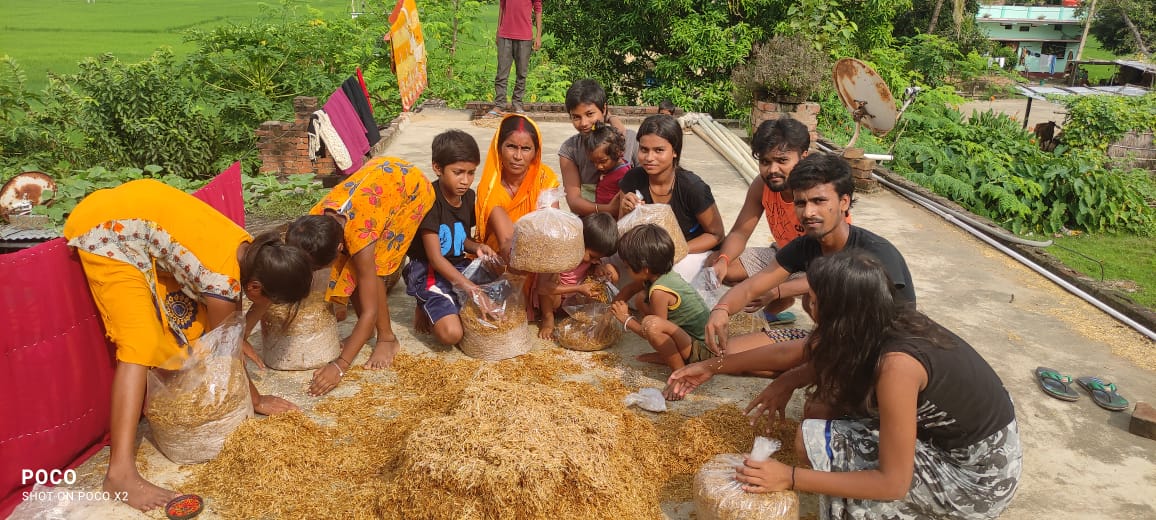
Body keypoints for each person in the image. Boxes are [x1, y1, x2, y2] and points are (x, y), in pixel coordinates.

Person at [674, 250, 1021, 518]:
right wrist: (714, 367)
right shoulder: (877, 318)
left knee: (818, 444)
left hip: (976, 478)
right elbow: (796, 354)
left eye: (814, 298)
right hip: (965, 442)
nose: (808, 304)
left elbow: (892, 483)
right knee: (819, 412)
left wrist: (790, 478)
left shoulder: (898, 366)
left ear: (840, 311)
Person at [63, 179, 313, 512]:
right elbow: (225, 353)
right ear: (254, 287)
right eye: (268, 300)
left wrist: (236, 346)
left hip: (135, 213)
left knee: (188, 327)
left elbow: (228, 331)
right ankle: (119, 473)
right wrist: (255, 398)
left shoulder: (253, 251)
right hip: (108, 229)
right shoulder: (222, 283)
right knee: (139, 344)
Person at [667, 153, 915, 399]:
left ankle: (813, 370)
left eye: (819, 201)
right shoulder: (806, 245)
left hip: (879, 351)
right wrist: (721, 309)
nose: (808, 213)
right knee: (723, 352)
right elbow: (752, 287)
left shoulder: (874, 255)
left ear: (844, 202)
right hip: (827, 340)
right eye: (800, 203)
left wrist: (790, 378)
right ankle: (807, 365)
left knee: (815, 410)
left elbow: (880, 335)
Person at [287, 156, 435, 396]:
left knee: (373, 274)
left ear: (338, 249)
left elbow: (369, 311)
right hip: (381, 175)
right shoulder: (311, 221)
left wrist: (340, 366)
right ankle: (367, 332)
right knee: (352, 271)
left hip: (411, 188)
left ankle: (387, 338)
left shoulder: (361, 237)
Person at [707, 117, 824, 325]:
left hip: (819, 266)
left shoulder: (817, 194)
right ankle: (772, 313)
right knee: (719, 266)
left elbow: (833, 268)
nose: (772, 170)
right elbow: (740, 233)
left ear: (803, 157)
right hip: (783, 254)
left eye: (782, 161)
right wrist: (723, 260)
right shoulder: (762, 185)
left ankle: (787, 304)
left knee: (815, 299)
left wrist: (776, 290)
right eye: (765, 161)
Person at [404, 130, 497, 346]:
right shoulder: (430, 201)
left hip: (458, 265)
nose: (466, 180)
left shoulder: (468, 197)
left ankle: (445, 301)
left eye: (471, 173)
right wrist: (471, 289)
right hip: (429, 270)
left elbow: (458, 237)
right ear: (438, 168)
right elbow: (436, 258)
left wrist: (477, 247)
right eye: (458, 172)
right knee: (452, 335)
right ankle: (423, 300)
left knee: (499, 299)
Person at [615, 114, 725, 282]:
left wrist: (676, 250)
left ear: (674, 151)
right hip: (647, 252)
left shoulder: (693, 187)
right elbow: (620, 231)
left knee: (671, 275)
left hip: (688, 252)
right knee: (612, 260)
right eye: (644, 149)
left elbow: (716, 235)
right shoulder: (633, 179)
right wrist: (625, 210)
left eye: (659, 150)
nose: (649, 158)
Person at [610, 224, 714, 374]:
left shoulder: (659, 292)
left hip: (702, 351)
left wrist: (626, 319)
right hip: (693, 339)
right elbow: (630, 289)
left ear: (645, 269)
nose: (626, 270)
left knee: (652, 328)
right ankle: (671, 354)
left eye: (627, 267)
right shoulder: (659, 274)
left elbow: (651, 331)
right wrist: (610, 310)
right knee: (640, 299)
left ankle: (680, 372)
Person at [475, 113, 559, 258]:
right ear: (499, 148)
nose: (518, 156)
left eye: (526, 149)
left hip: (542, 260)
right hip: (502, 261)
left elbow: (552, 227)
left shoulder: (545, 178)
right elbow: (509, 243)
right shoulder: (490, 188)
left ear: (535, 152)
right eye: (511, 146)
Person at [558, 79, 637, 216]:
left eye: (590, 114)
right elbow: (574, 201)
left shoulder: (630, 140)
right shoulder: (570, 149)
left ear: (604, 109)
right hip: (592, 222)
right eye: (576, 117)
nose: (584, 123)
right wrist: (609, 210)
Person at [537, 212, 620, 339]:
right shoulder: (559, 253)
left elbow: (598, 269)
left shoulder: (590, 259)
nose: (595, 260)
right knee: (553, 277)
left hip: (574, 303)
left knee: (611, 271)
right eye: (592, 256)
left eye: (598, 258)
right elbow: (542, 287)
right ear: (581, 241)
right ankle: (548, 319)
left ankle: (589, 316)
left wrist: (599, 268)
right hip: (554, 301)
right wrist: (578, 288)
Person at [488, 0, 542, 117]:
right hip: (505, 35)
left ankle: (517, 104)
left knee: (521, 73)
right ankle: (499, 105)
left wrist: (538, 35)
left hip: (524, 36)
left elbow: (538, 9)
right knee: (501, 73)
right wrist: (498, 30)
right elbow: (502, 7)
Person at [585, 121, 632, 207]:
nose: (598, 166)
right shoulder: (610, 168)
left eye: (603, 161)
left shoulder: (624, 174)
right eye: (593, 162)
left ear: (617, 152)